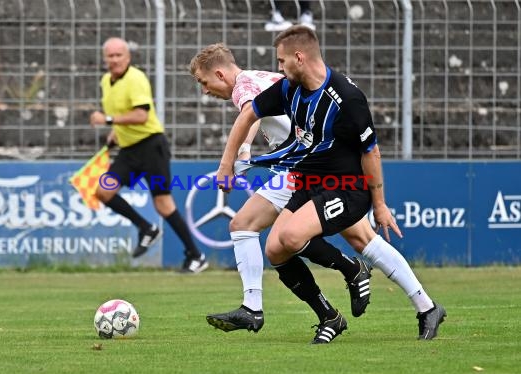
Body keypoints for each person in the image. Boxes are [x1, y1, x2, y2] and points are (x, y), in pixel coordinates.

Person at [215, 26, 446, 343]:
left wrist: (379, 205)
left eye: (282, 61)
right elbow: (248, 115)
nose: (279, 68)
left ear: (299, 57)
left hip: (346, 187)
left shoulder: (347, 99)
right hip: (307, 180)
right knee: (276, 249)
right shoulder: (288, 89)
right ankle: (337, 314)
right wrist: (226, 165)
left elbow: (371, 152)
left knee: (295, 235)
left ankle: (359, 275)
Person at [189, 43, 371, 333]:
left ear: (220, 74)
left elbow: (250, 112)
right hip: (306, 164)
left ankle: (352, 276)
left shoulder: (242, 87)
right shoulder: (260, 77)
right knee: (247, 227)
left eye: (203, 82)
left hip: (310, 166)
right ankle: (259, 309)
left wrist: (243, 150)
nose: (205, 90)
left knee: (291, 240)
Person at [90, 37, 208, 274]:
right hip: (129, 149)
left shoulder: (136, 78)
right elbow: (123, 112)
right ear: (104, 58)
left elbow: (141, 116)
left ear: (127, 57)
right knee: (103, 191)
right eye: (110, 56)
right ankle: (146, 228)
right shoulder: (106, 81)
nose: (114, 60)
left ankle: (196, 256)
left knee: (163, 205)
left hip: (151, 146)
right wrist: (115, 131)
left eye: (118, 55)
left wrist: (109, 120)